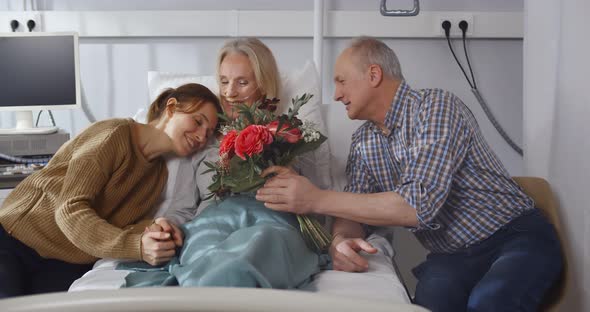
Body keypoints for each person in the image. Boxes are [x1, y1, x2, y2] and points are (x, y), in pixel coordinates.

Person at [256, 36, 563, 311]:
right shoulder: (364, 141)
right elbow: (353, 212)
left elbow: (417, 205)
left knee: (490, 303)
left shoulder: (435, 108)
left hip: (513, 236)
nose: (336, 95)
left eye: (341, 81)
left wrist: (314, 199)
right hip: (453, 257)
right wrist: (341, 241)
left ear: (374, 74)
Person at [119, 37, 328, 289]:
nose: (230, 93)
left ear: (263, 85)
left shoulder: (291, 136)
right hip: (211, 225)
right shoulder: (197, 140)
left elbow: (319, 207)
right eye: (224, 81)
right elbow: (181, 208)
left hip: (274, 225)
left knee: (259, 245)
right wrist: (165, 228)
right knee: (213, 258)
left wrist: (293, 180)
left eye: (242, 82)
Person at [0, 83, 221, 298]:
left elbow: (117, 225)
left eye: (209, 132)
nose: (202, 136)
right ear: (171, 108)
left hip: (65, 262)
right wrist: (137, 246)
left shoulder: (157, 176)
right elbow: (69, 209)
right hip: (17, 240)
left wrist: (155, 229)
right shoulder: (114, 134)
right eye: (198, 121)